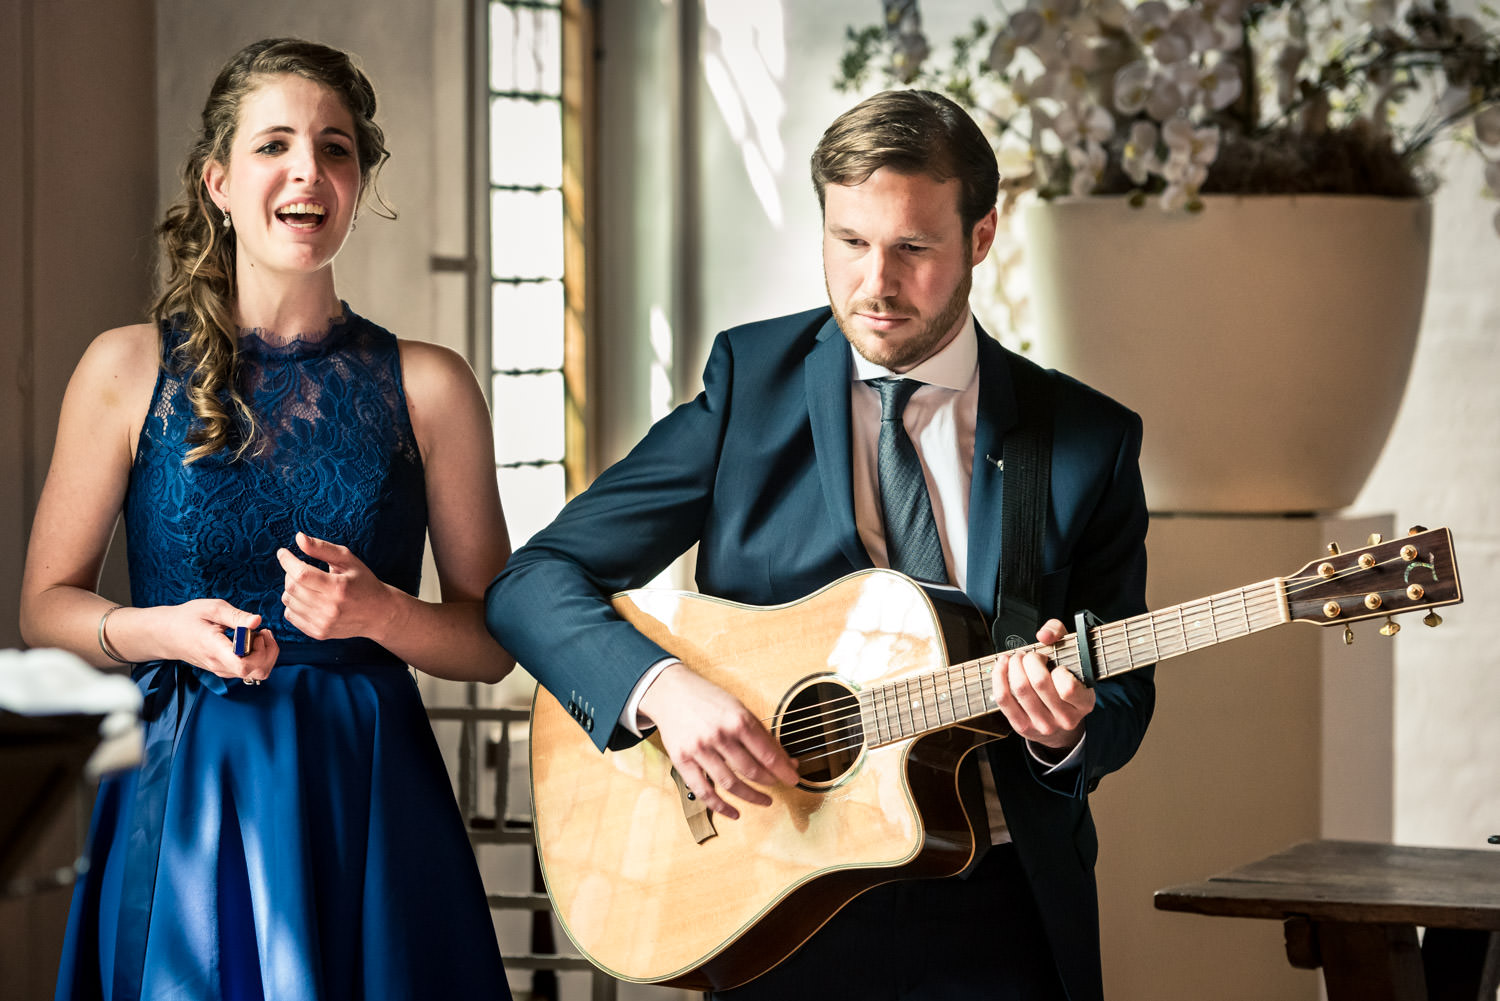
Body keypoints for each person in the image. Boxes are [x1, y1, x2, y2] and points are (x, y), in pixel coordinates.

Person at [487, 89, 1154, 1001]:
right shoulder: (749, 383)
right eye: (849, 242)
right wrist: (665, 693)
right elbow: (531, 583)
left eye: (913, 248)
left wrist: (1065, 730)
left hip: (995, 904)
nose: (875, 282)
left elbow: (1124, 684)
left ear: (983, 235)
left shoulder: (1086, 439)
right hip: (775, 890)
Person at [20, 38, 516, 1001]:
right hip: (186, 780)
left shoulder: (431, 385)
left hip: (364, 793)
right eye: (274, 144)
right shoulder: (122, 370)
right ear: (217, 180)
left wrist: (381, 615)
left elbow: (489, 640)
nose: (309, 170)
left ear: (358, 180)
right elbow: (44, 605)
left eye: (336, 148)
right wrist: (160, 630)